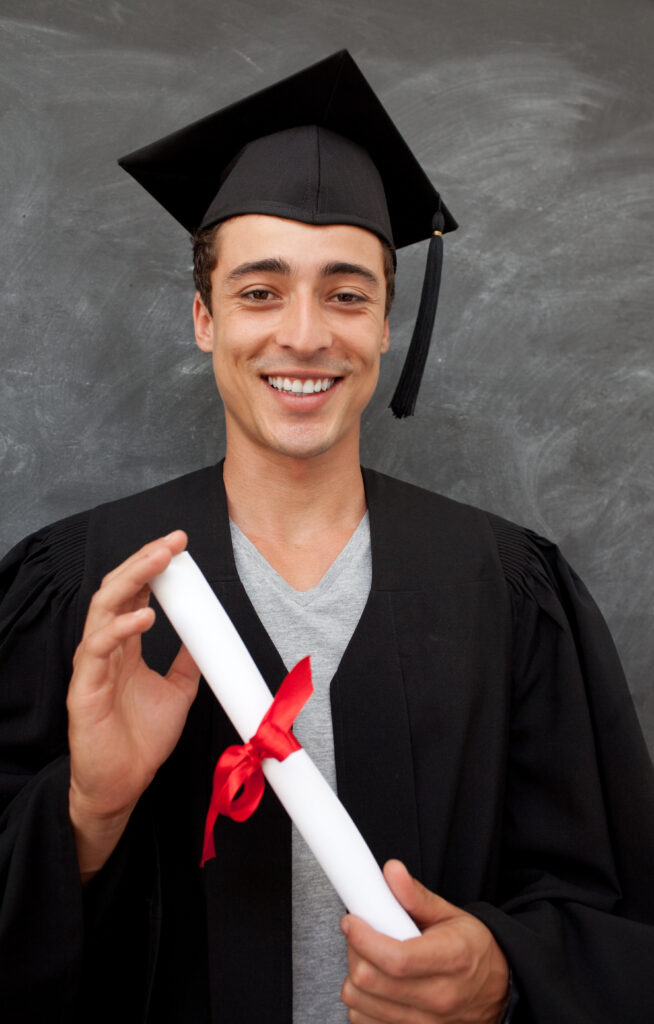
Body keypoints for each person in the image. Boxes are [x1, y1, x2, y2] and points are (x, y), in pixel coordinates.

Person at [1, 50, 653, 1024]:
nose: (305, 335)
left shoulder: (506, 592)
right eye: (260, 291)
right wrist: (88, 807)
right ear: (203, 318)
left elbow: (615, 914)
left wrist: (504, 971)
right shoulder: (88, 591)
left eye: (346, 294)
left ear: (385, 324)